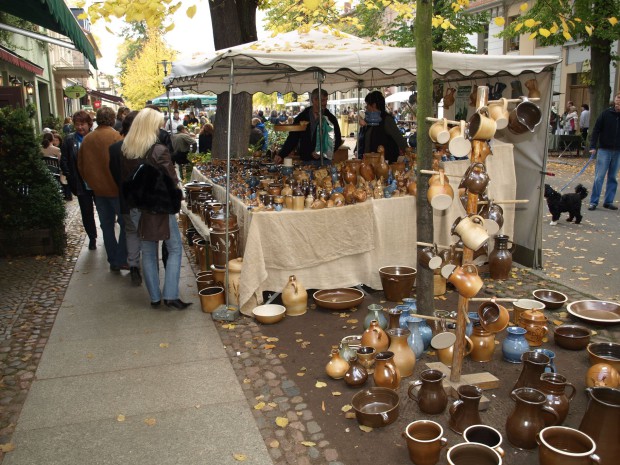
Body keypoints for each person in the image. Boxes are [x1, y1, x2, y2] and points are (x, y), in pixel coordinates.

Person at [121, 108, 191, 309]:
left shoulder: (127, 148)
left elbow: (125, 179)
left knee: (148, 251)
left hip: (137, 207)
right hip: (159, 207)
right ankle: (170, 295)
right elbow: (172, 179)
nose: (161, 127)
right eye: (159, 124)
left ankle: (154, 297)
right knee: (175, 248)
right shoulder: (158, 150)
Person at [78, 106, 127, 271]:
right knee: (125, 225)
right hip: (116, 190)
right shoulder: (116, 137)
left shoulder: (88, 139)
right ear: (113, 119)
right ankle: (121, 258)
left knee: (106, 226)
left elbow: (81, 166)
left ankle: (113, 260)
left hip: (98, 190)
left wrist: (93, 182)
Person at [109, 110, 142, 286]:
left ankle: (134, 264)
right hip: (143, 199)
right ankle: (141, 266)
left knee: (131, 232)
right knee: (145, 234)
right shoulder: (146, 147)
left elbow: (115, 175)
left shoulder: (114, 149)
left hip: (126, 198)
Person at [274, 88, 342, 166]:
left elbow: (337, 139)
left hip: (325, 161)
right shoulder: (302, 117)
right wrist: (281, 154)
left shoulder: (330, 118)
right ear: (314, 100)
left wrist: (324, 152)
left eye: (326, 100)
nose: (325, 103)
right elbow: (293, 138)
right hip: (306, 160)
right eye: (323, 100)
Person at [60, 110, 98, 249]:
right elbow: (64, 160)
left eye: (82, 124)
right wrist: (70, 177)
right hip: (81, 184)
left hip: (98, 183)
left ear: (89, 124)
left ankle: (107, 234)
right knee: (86, 213)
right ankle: (92, 237)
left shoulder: (95, 137)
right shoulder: (70, 140)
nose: (80, 127)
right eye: (77, 124)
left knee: (103, 211)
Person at [588, 92, 620, 211]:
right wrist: (592, 146)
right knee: (599, 177)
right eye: (618, 98)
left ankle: (608, 201)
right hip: (604, 149)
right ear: (615, 99)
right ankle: (594, 201)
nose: (619, 101)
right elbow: (596, 130)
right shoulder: (606, 114)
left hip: (618, 150)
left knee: (613, 177)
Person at [356, 90, 407, 163]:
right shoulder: (368, 120)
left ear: (374, 105)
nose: (366, 107)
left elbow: (400, 141)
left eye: (367, 104)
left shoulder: (387, 120)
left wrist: (410, 154)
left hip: (384, 164)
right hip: (369, 164)